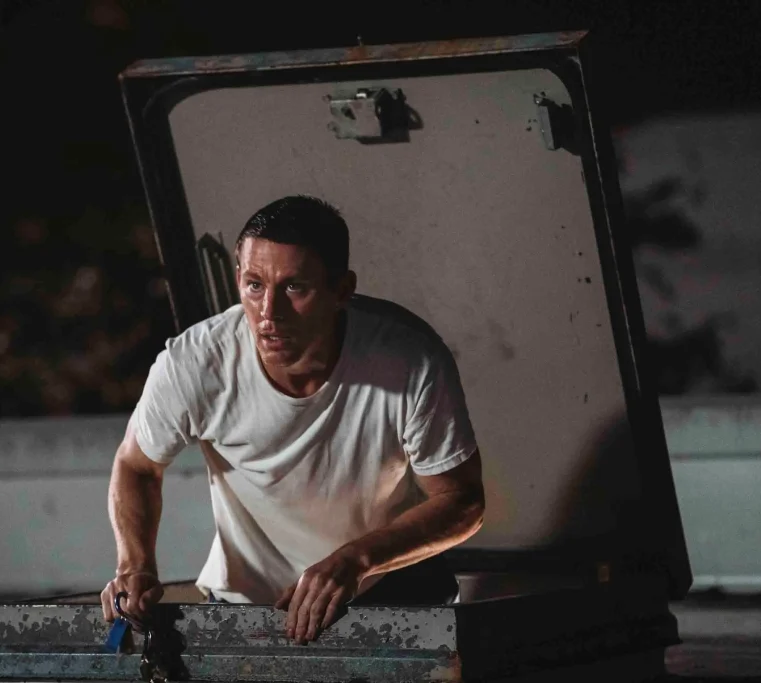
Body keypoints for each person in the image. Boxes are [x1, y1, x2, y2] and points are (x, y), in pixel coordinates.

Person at [101, 195, 485, 644]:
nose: (269, 315)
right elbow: (137, 465)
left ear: (342, 290)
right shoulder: (195, 363)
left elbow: (461, 500)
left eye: (294, 288)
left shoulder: (410, 358)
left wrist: (355, 561)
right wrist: (135, 566)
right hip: (249, 609)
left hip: (388, 590)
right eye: (254, 285)